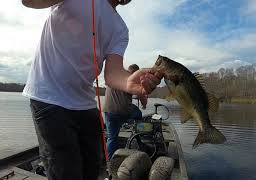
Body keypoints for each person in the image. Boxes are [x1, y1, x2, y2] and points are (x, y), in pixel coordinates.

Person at [21, 0, 162, 180]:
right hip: (48, 98)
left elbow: (112, 74)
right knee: (66, 172)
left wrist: (128, 82)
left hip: (85, 105)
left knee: (92, 169)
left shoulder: (120, 29)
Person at [103, 64, 147, 158]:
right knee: (138, 113)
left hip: (108, 110)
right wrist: (144, 104)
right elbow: (141, 95)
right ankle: (138, 138)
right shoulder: (132, 79)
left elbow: (122, 92)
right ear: (136, 73)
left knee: (112, 137)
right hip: (123, 110)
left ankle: (109, 161)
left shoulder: (115, 76)